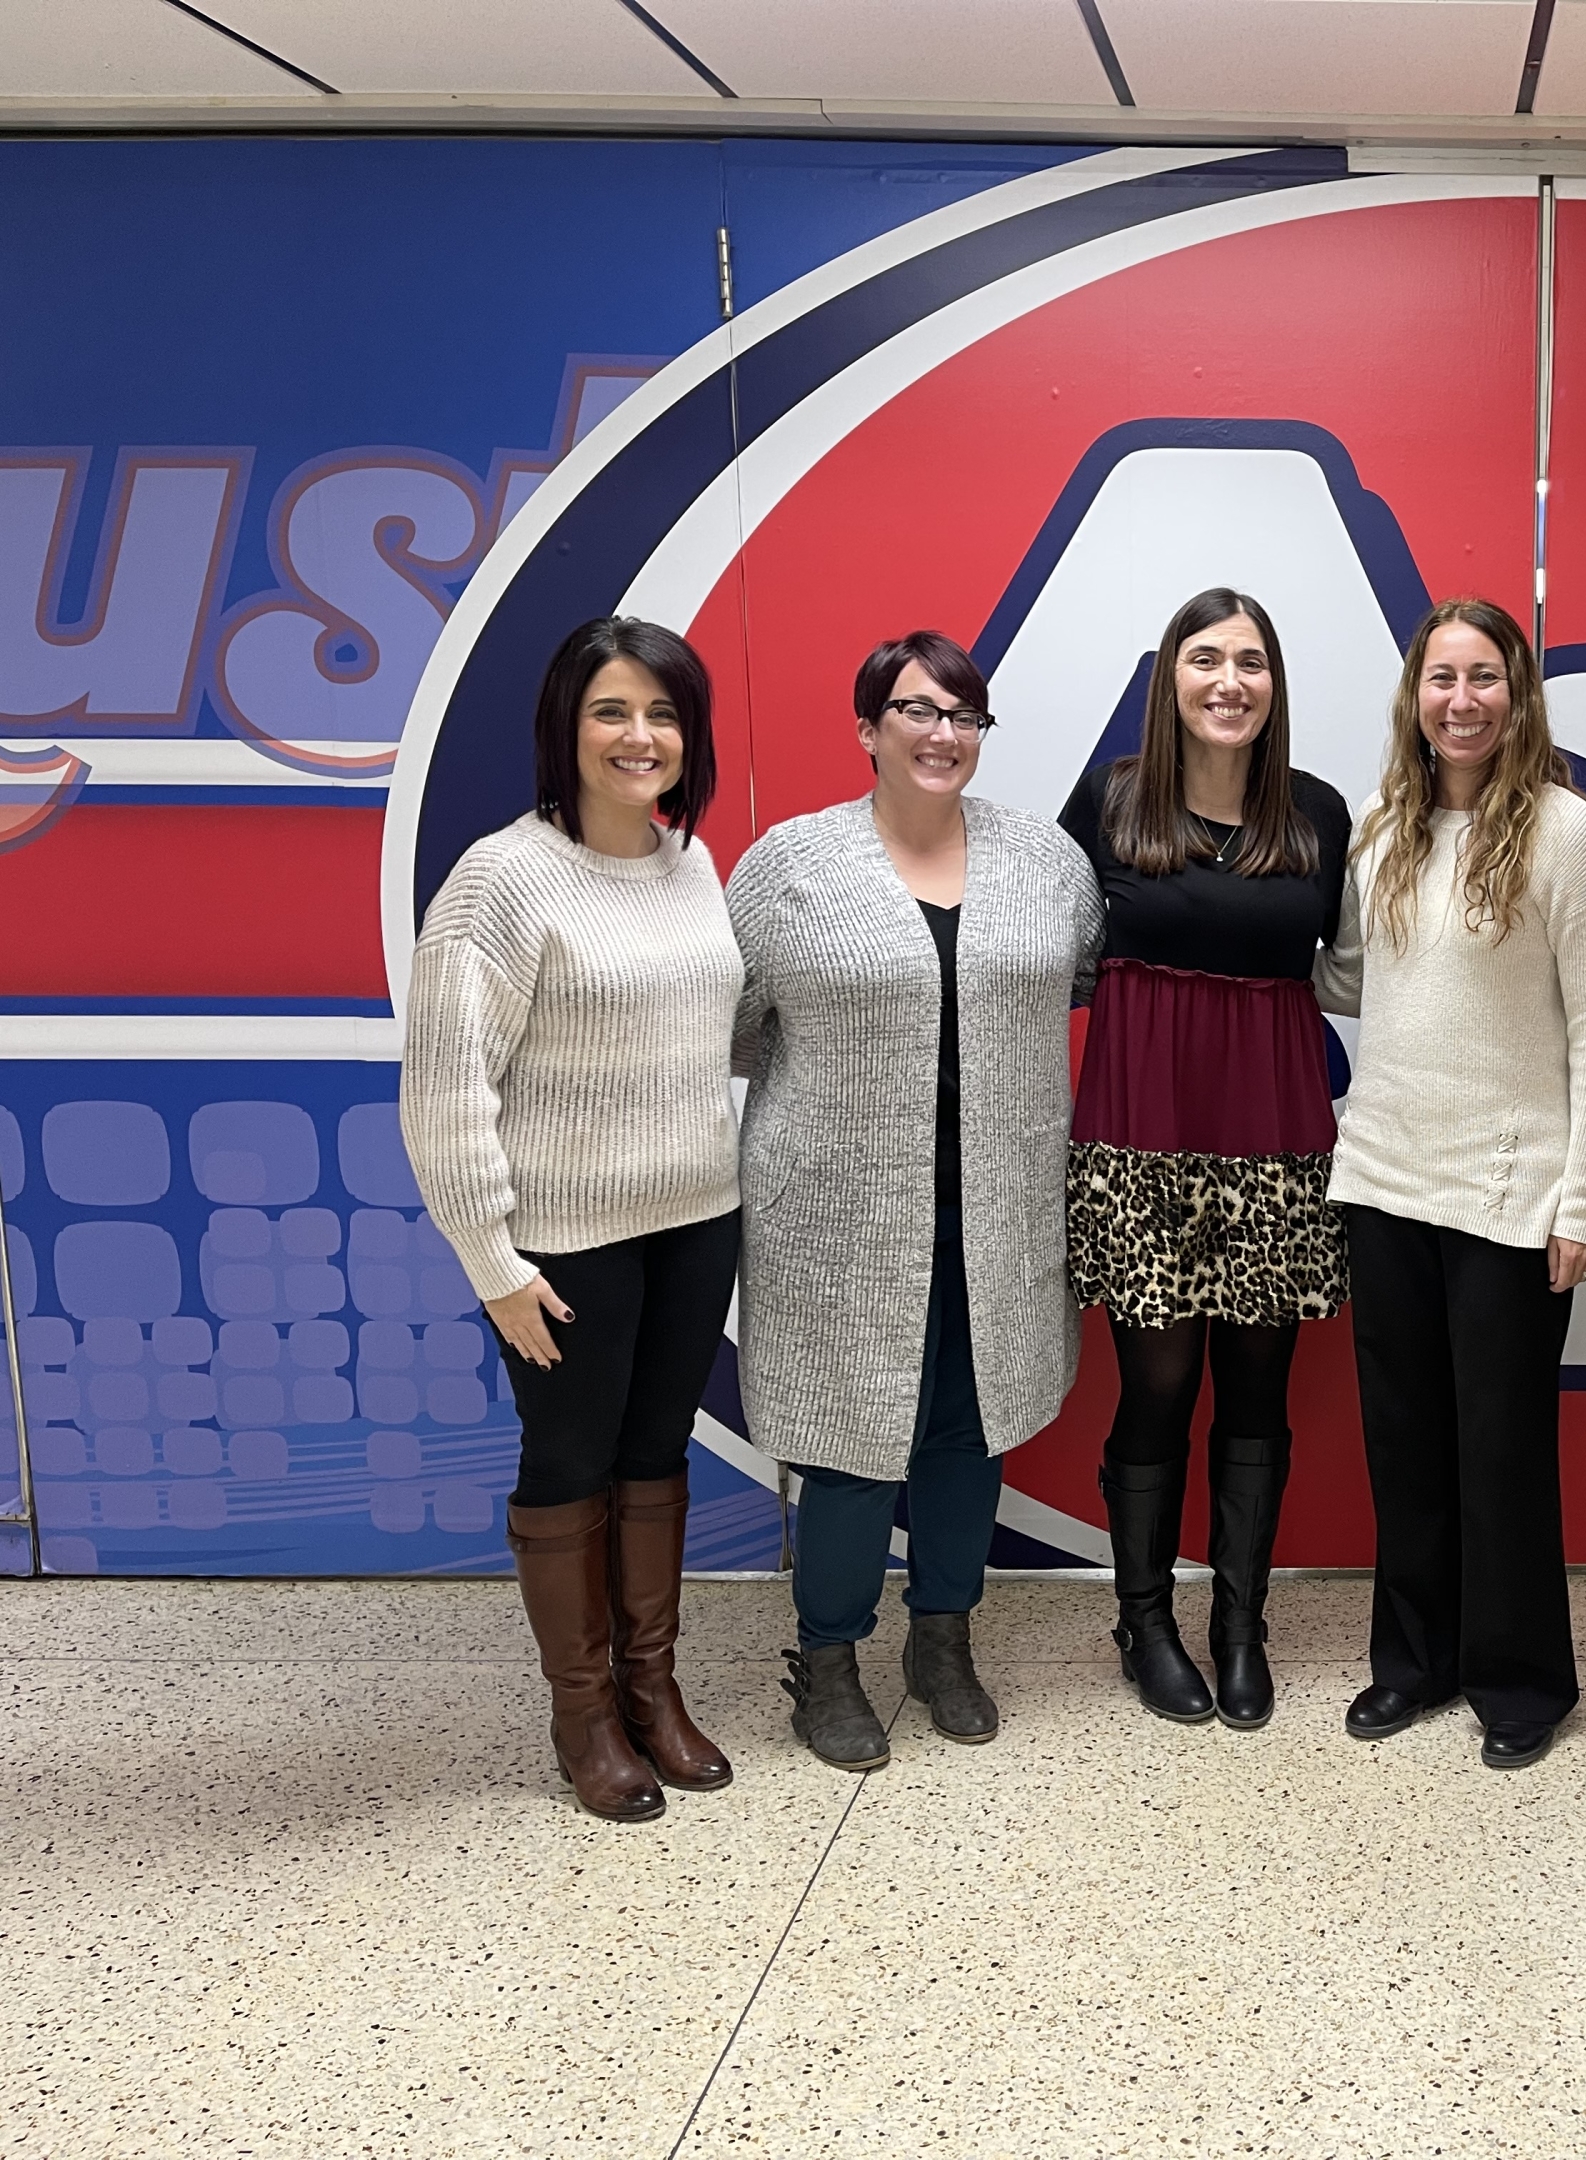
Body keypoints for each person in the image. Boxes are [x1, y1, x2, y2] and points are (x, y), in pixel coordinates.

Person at [731, 632, 1104, 1772]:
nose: (943, 734)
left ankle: (943, 1640)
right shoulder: (789, 866)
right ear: (867, 729)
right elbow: (737, 1028)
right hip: (838, 1217)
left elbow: (1080, 983)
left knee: (967, 1425)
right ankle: (830, 1657)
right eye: (917, 710)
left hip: (997, 1204)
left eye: (965, 715)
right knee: (848, 1441)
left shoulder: (1046, 863)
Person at [401, 617, 741, 1823]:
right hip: (564, 1244)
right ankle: (583, 1715)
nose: (639, 736)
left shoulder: (690, 862)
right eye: (611, 711)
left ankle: (653, 1693)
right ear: (565, 727)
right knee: (568, 1463)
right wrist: (492, 1262)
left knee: (656, 1457)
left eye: (661, 712)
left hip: (699, 1220)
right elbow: (445, 1085)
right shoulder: (501, 878)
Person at [1315, 598, 1586, 1769]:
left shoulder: (1563, 832)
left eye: (1483, 678)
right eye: (1441, 678)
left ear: (1518, 695)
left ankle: (1521, 1681)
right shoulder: (1381, 827)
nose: (1461, 700)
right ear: (1415, 696)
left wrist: (1581, 1203)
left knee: (1500, 1452)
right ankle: (1415, 1663)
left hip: (1510, 1193)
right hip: (1385, 1178)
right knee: (1404, 1444)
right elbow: (1352, 975)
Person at [1059, 588, 1352, 1730]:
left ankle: (1241, 1627)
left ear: (1275, 686)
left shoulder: (1320, 815)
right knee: (1159, 1382)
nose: (1230, 680)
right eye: (1206, 658)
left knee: (1258, 1387)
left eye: (1252, 661)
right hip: (1140, 1134)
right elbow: (1046, 953)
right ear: (1169, 677)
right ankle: (1145, 1620)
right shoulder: (1112, 801)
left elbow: (1367, 967)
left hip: (1277, 1135)